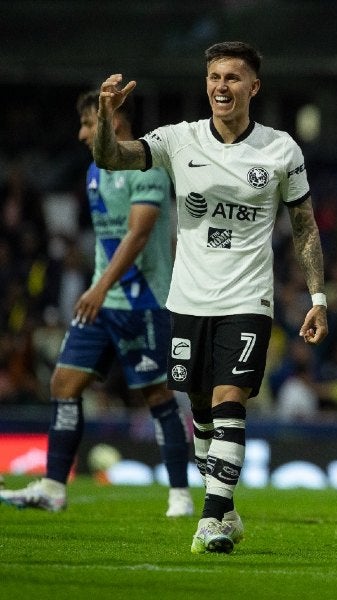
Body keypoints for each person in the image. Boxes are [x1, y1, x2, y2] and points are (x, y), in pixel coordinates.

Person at [92, 41, 329, 555]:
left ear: (254, 87)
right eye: (214, 77)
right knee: (200, 408)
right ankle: (227, 509)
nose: (222, 86)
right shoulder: (180, 140)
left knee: (229, 400)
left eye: (233, 78)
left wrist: (318, 296)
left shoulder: (281, 149)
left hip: (248, 299)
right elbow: (113, 157)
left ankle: (210, 518)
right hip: (189, 301)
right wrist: (109, 118)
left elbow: (305, 227)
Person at [0, 91, 193, 517]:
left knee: (157, 395)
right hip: (102, 302)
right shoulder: (93, 173)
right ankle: (53, 486)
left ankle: (179, 493)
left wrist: (100, 285)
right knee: (64, 385)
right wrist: (98, 287)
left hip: (144, 302)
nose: (83, 132)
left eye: (90, 123)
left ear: (115, 121)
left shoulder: (148, 167)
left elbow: (139, 234)